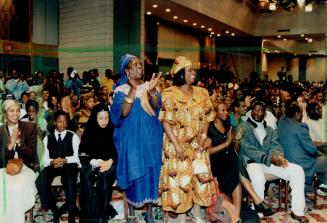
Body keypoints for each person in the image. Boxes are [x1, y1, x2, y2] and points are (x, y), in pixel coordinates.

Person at [159, 56, 215, 222]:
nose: (193, 73)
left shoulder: (202, 93)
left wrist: (204, 136)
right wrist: (176, 145)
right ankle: (182, 216)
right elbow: (166, 122)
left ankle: (197, 214)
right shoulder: (169, 94)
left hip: (198, 145)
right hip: (176, 144)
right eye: (190, 70)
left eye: (193, 70)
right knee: (179, 182)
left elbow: (206, 117)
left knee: (200, 179)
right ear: (180, 73)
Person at [110, 54, 163, 223]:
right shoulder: (121, 90)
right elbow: (123, 113)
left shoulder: (150, 85)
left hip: (151, 138)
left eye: (141, 65)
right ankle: (132, 212)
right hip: (131, 139)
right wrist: (133, 89)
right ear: (127, 70)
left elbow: (157, 106)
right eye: (135, 65)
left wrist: (153, 90)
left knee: (152, 171)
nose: (140, 67)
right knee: (134, 170)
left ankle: (149, 213)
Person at [238, 100, 309, 223]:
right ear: (251, 111)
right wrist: (270, 159)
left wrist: (279, 158)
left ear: (264, 113)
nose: (257, 113)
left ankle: (297, 212)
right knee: (258, 178)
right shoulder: (243, 127)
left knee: (297, 170)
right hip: (252, 162)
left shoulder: (270, 129)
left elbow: (275, 146)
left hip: (268, 162)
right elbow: (248, 149)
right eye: (255, 110)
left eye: (260, 111)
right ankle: (258, 213)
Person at [37, 111, 80, 223]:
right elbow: (44, 159)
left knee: (69, 180)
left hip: (69, 165)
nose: (62, 124)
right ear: (55, 123)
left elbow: (77, 157)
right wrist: (52, 162)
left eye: (65, 122)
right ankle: (54, 208)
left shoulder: (73, 136)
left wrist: (65, 160)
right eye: (60, 121)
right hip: (53, 165)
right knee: (40, 181)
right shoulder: (48, 138)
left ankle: (71, 212)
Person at [0, 100, 38, 223]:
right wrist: (11, 144)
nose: (16, 114)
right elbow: (2, 160)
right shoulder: (0, 131)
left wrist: (19, 142)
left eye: (17, 110)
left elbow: (32, 155)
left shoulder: (29, 127)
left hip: (26, 167)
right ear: (5, 114)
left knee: (17, 187)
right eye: (11, 111)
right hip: (6, 168)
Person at [79, 103, 117, 222]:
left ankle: (102, 216)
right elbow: (82, 152)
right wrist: (96, 162)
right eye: (100, 118)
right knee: (85, 174)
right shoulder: (89, 130)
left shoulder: (112, 129)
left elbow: (118, 151)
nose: (104, 121)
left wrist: (110, 162)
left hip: (111, 163)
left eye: (106, 118)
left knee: (103, 176)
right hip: (93, 162)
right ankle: (90, 214)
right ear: (95, 118)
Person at [278, 102, 327, 192]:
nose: (302, 116)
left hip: (286, 159)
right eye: (301, 113)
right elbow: (311, 150)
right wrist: (319, 153)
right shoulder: (301, 126)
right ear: (296, 114)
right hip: (301, 162)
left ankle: (316, 185)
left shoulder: (281, 123)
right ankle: (318, 187)